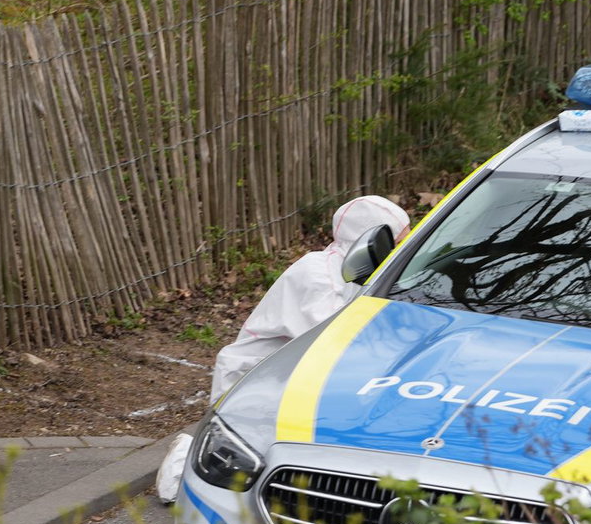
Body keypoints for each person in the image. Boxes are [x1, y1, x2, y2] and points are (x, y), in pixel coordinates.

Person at [156, 195, 411, 501]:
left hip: (292, 379)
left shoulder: (357, 273)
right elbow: (335, 344)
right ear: (372, 239)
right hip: (258, 384)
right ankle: (189, 459)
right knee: (244, 480)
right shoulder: (319, 276)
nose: (404, 248)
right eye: (399, 240)